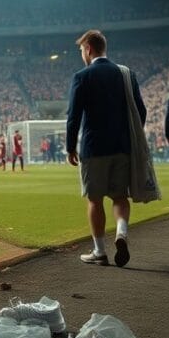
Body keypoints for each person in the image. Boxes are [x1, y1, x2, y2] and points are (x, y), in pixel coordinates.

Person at [66, 29, 145, 268]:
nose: (82, 54)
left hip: (94, 147)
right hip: (122, 146)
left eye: (81, 50)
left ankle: (100, 251)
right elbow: (140, 111)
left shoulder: (82, 76)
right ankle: (121, 233)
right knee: (120, 196)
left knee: (95, 199)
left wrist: (70, 147)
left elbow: (74, 116)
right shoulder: (127, 74)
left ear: (88, 48)